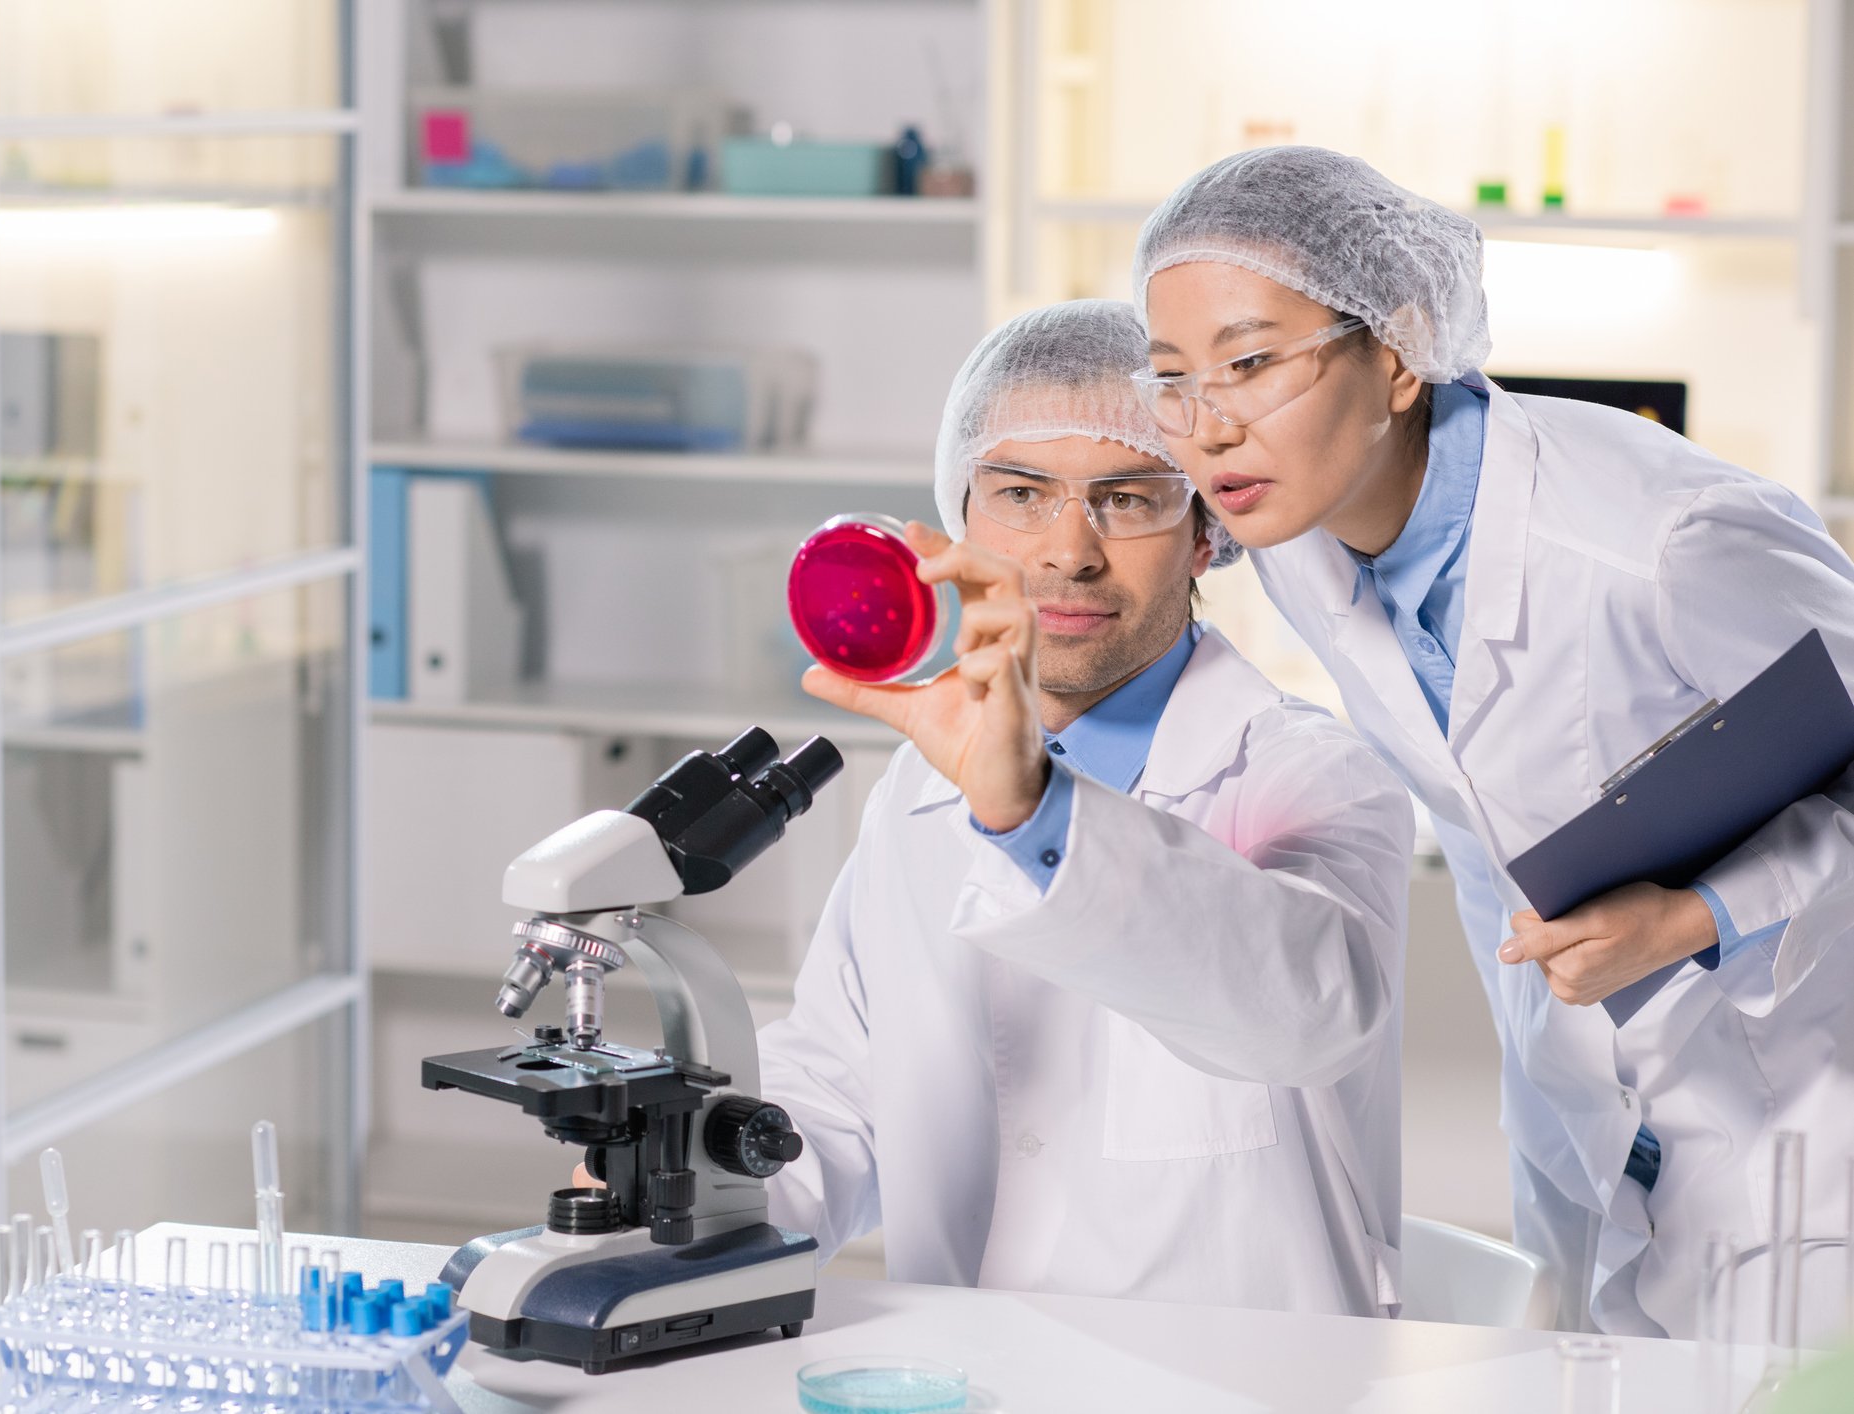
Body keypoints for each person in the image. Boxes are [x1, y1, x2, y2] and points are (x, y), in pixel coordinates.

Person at [1129, 145, 1854, 1336]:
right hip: (1578, 1112)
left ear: (1401, 349)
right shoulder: (1298, 528)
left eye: (1252, 364)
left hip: (1797, 1113)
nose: (1206, 428)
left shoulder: (1663, 540)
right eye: (1172, 377)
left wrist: (1698, 916)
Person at [754, 298, 1413, 1316]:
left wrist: (1034, 818)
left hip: (1233, 1384)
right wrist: (693, 1198)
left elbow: (1312, 1015)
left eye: (1128, 496)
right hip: (968, 1372)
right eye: (1021, 492)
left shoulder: (1309, 773)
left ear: (1205, 532)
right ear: (959, 519)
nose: (1070, 551)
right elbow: (841, 1088)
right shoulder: (922, 788)